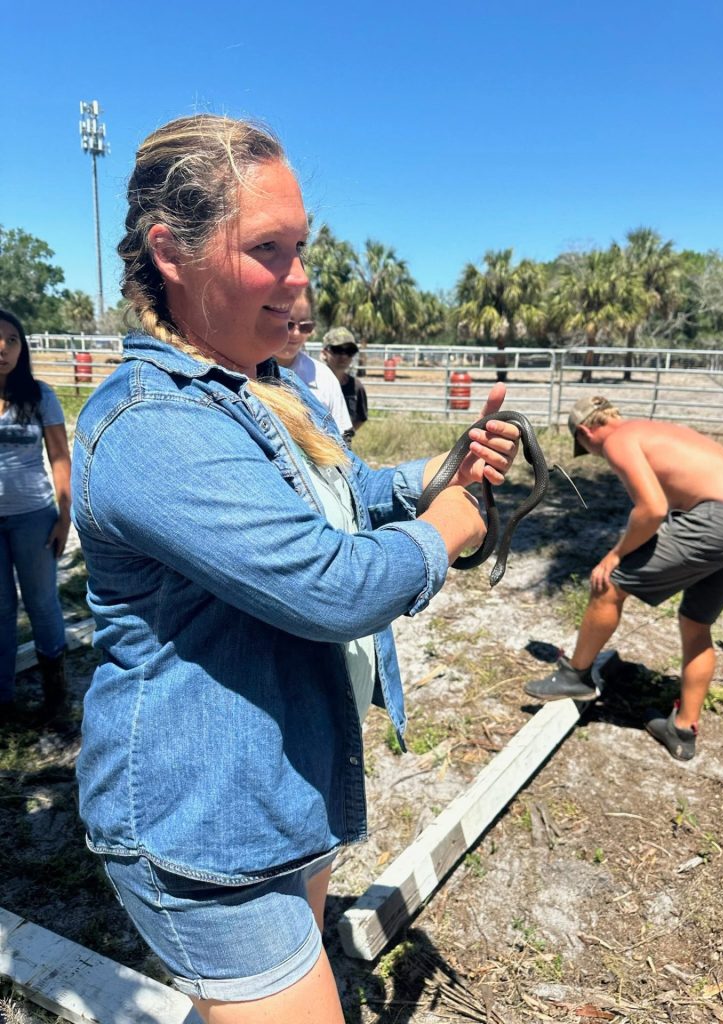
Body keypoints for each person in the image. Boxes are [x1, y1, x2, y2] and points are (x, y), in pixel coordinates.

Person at [70, 114, 520, 1024]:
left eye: (300, 246)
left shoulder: (254, 389)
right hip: (200, 822)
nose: (300, 277)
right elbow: (333, 585)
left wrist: (446, 470)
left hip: (272, 793)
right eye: (267, 248)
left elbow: (349, 487)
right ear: (172, 251)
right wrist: (451, 528)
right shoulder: (152, 425)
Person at [525, 395, 723, 761]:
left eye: (585, 446)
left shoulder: (618, 439)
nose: (593, 453)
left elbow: (652, 508)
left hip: (720, 521)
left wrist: (615, 555)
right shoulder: (655, 431)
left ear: (587, 431)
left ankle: (576, 676)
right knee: (696, 622)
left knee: (607, 584)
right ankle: (683, 731)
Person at [0, 308, 70, 717]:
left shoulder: (40, 395)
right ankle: (4, 697)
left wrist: (64, 517)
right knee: (1, 609)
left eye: (12, 340)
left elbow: (60, 457)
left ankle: (56, 697)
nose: (4, 348)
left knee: (42, 603)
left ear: (22, 348)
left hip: (33, 519)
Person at [275, 287, 354, 441]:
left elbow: (344, 438)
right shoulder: (243, 372)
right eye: (288, 323)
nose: (296, 333)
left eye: (305, 326)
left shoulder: (324, 378)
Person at [323, 327, 368, 431]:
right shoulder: (312, 383)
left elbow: (362, 417)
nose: (343, 356)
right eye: (337, 350)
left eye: (349, 351)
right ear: (325, 352)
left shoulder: (356, 387)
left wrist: (347, 434)